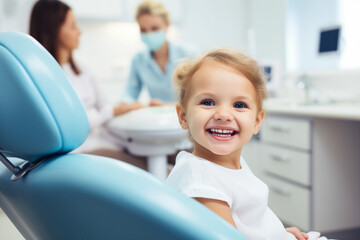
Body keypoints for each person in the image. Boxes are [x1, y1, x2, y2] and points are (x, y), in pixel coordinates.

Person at [166, 49, 329, 240]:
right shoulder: (202, 181)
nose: (224, 115)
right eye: (208, 102)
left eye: (239, 105)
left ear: (257, 122)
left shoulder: (226, 164)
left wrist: (277, 234)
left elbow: (247, 221)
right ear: (183, 116)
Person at [29, 0, 146, 169]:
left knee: (158, 157)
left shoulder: (82, 68)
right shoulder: (43, 78)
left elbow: (105, 106)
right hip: (78, 153)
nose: (79, 31)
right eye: (73, 26)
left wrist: (130, 108)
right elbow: (72, 127)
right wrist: (109, 112)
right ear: (54, 30)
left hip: (102, 140)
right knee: (151, 167)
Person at [121, 0, 198, 106]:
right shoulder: (138, 60)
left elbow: (201, 93)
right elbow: (129, 94)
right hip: (157, 118)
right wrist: (128, 104)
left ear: (166, 24)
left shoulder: (189, 54)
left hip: (186, 117)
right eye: (143, 30)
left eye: (154, 28)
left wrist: (171, 105)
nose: (149, 34)